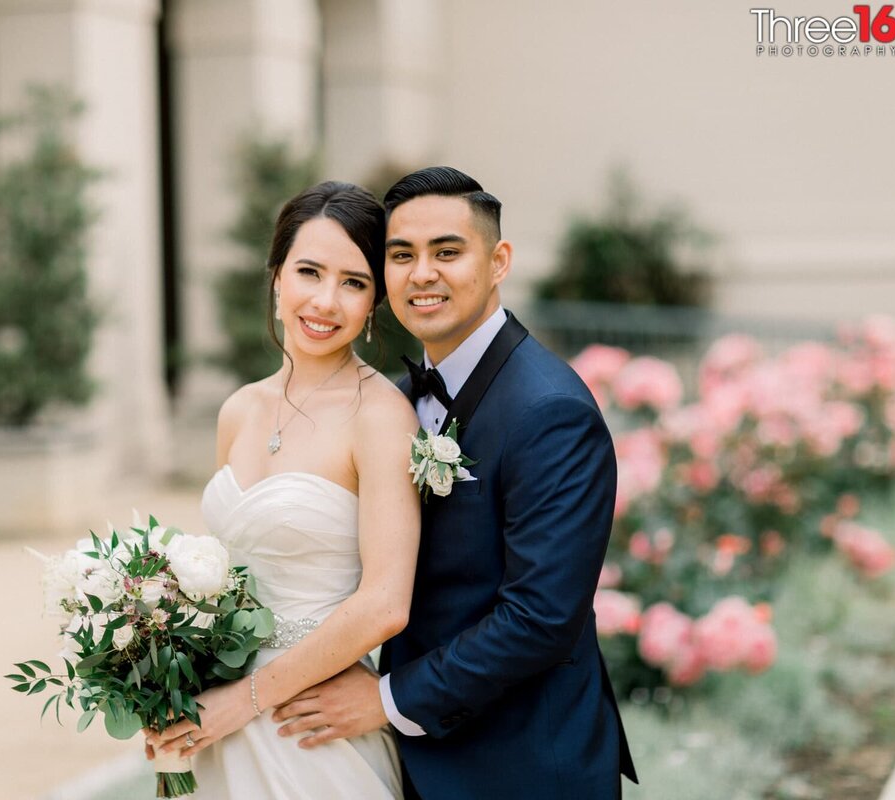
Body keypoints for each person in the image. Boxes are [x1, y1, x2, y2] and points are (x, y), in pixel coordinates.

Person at [271, 166, 638, 799]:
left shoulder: (550, 410)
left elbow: (540, 618)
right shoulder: (398, 399)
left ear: (498, 261)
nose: (422, 274)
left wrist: (385, 700)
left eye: (447, 252)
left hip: (522, 766)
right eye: (401, 255)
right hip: (413, 763)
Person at [146, 181, 420, 798]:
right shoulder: (238, 410)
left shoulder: (380, 416)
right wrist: (158, 673)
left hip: (313, 729)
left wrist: (244, 702)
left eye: (353, 282)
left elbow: (385, 604)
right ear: (276, 279)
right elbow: (222, 580)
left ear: (374, 301)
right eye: (309, 271)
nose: (326, 300)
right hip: (215, 722)